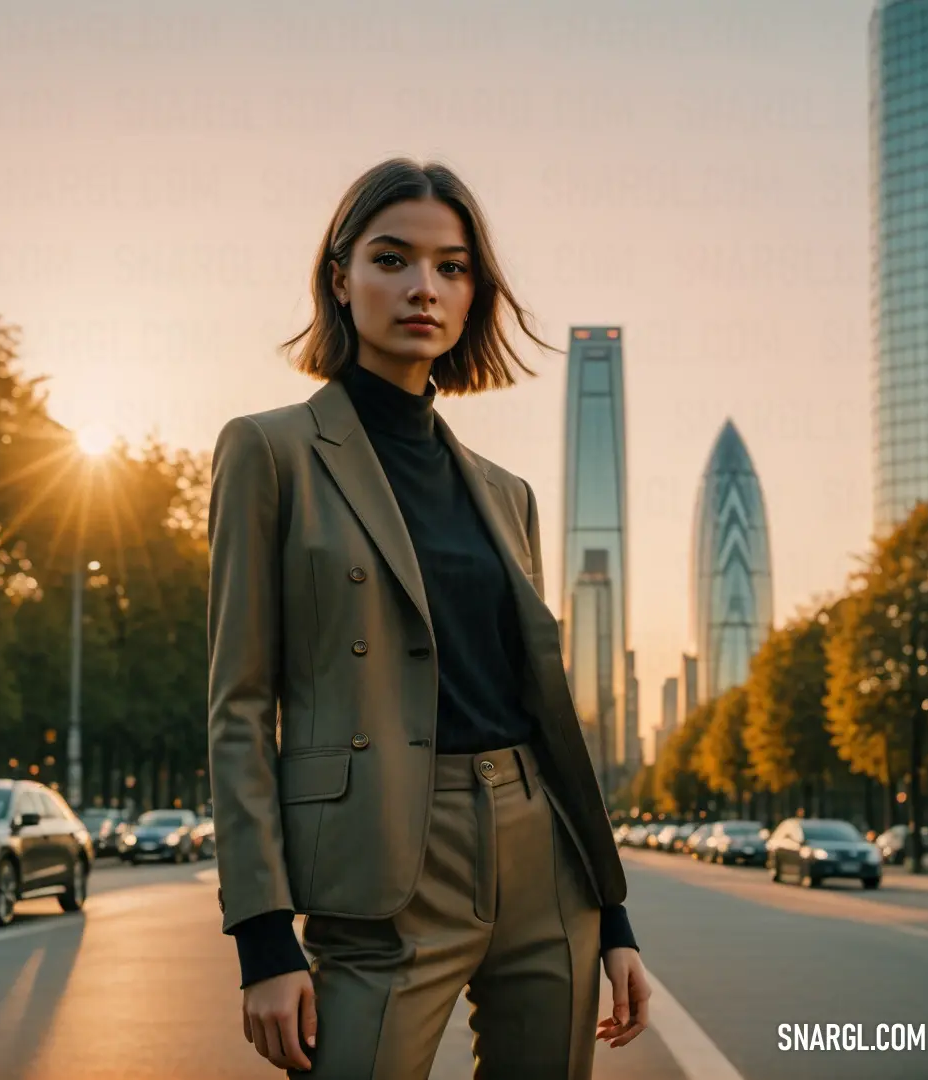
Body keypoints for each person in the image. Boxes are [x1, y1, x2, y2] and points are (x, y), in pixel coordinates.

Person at [207, 157, 650, 1079]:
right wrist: (262, 936)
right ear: (341, 277)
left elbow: (548, 710)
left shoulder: (508, 494)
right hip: (379, 867)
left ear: (474, 293)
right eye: (393, 258)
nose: (423, 288)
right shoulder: (272, 452)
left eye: (451, 267)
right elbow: (239, 706)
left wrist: (611, 914)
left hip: (542, 852)